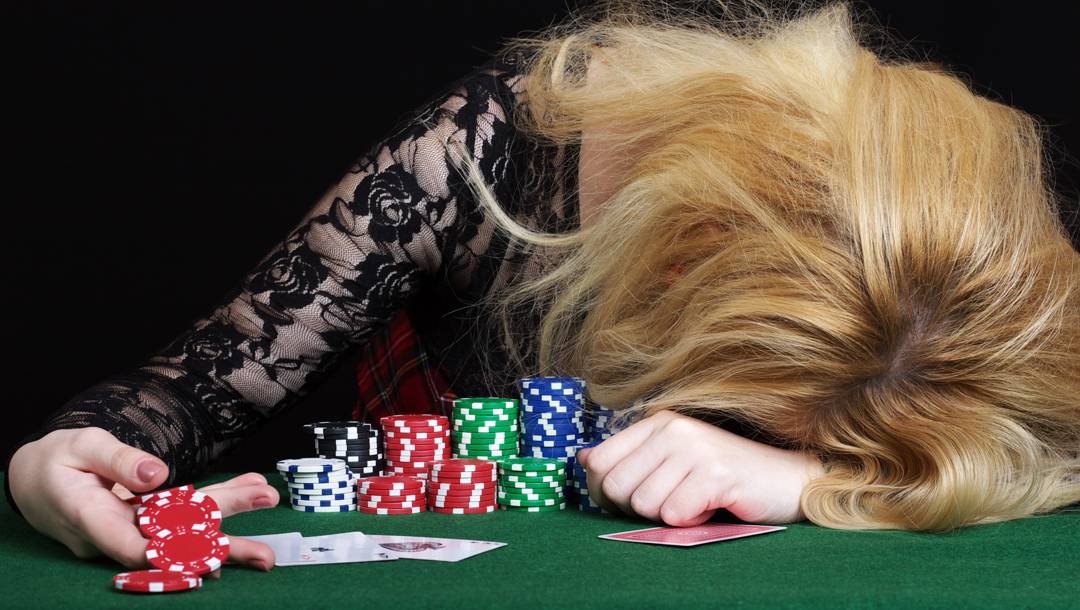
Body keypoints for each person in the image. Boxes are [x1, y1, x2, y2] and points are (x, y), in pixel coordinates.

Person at [6, 0, 1080, 572]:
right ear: (677, 269)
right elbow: (190, 396)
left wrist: (804, 481)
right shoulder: (486, 153)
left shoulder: (960, 254)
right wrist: (54, 458)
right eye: (769, 408)